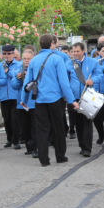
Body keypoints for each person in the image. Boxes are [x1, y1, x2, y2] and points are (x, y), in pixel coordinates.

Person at [22, 34, 78, 166]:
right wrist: (72, 100)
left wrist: (23, 100)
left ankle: (44, 159)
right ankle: (60, 156)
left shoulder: (34, 60)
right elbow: (64, 83)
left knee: (42, 129)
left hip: (40, 100)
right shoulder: (57, 59)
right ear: (52, 44)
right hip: (55, 99)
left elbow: (27, 83)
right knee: (58, 128)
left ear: (40, 45)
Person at [66, 42, 102, 157]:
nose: (75, 53)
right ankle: (82, 145)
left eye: (77, 51)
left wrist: (93, 80)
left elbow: (99, 75)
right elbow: (65, 80)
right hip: (74, 97)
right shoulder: (68, 64)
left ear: (83, 51)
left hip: (88, 96)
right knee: (77, 123)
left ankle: (87, 148)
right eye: (73, 51)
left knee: (87, 122)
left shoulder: (93, 62)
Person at [12, 50, 38, 158]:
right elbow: (14, 86)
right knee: (25, 127)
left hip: (33, 103)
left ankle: (35, 148)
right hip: (22, 104)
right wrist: (18, 79)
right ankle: (29, 147)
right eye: (24, 59)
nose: (26, 61)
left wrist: (29, 77)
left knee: (35, 127)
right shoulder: (19, 70)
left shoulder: (36, 69)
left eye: (29, 58)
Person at [0, 45, 22, 149]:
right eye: (4, 53)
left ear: (13, 54)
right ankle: (9, 139)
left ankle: (16, 141)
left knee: (15, 119)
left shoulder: (19, 64)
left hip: (15, 96)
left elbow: (17, 75)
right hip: (4, 96)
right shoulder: (1, 66)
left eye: (9, 53)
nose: (6, 56)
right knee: (7, 119)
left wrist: (7, 71)